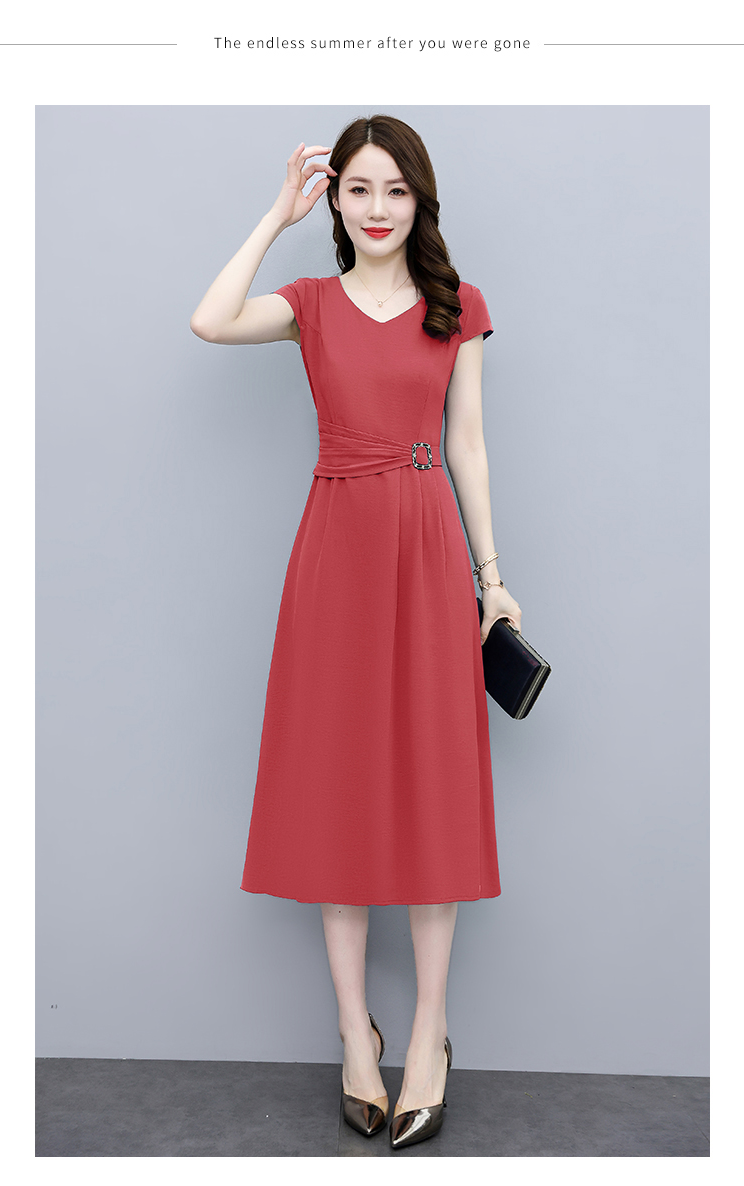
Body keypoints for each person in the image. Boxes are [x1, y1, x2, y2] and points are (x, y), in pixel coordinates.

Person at [190, 114, 522, 1150]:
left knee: (433, 788)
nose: (378, 209)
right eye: (359, 189)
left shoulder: (456, 307)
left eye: (396, 191)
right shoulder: (309, 304)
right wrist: (273, 217)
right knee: (335, 784)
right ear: (335, 200)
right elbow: (208, 320)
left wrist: (493, 584)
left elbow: (468, 448)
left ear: (421, 201)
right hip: (334, 554)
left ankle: (427, 1036)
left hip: (426, 553)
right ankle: (354, 1035)